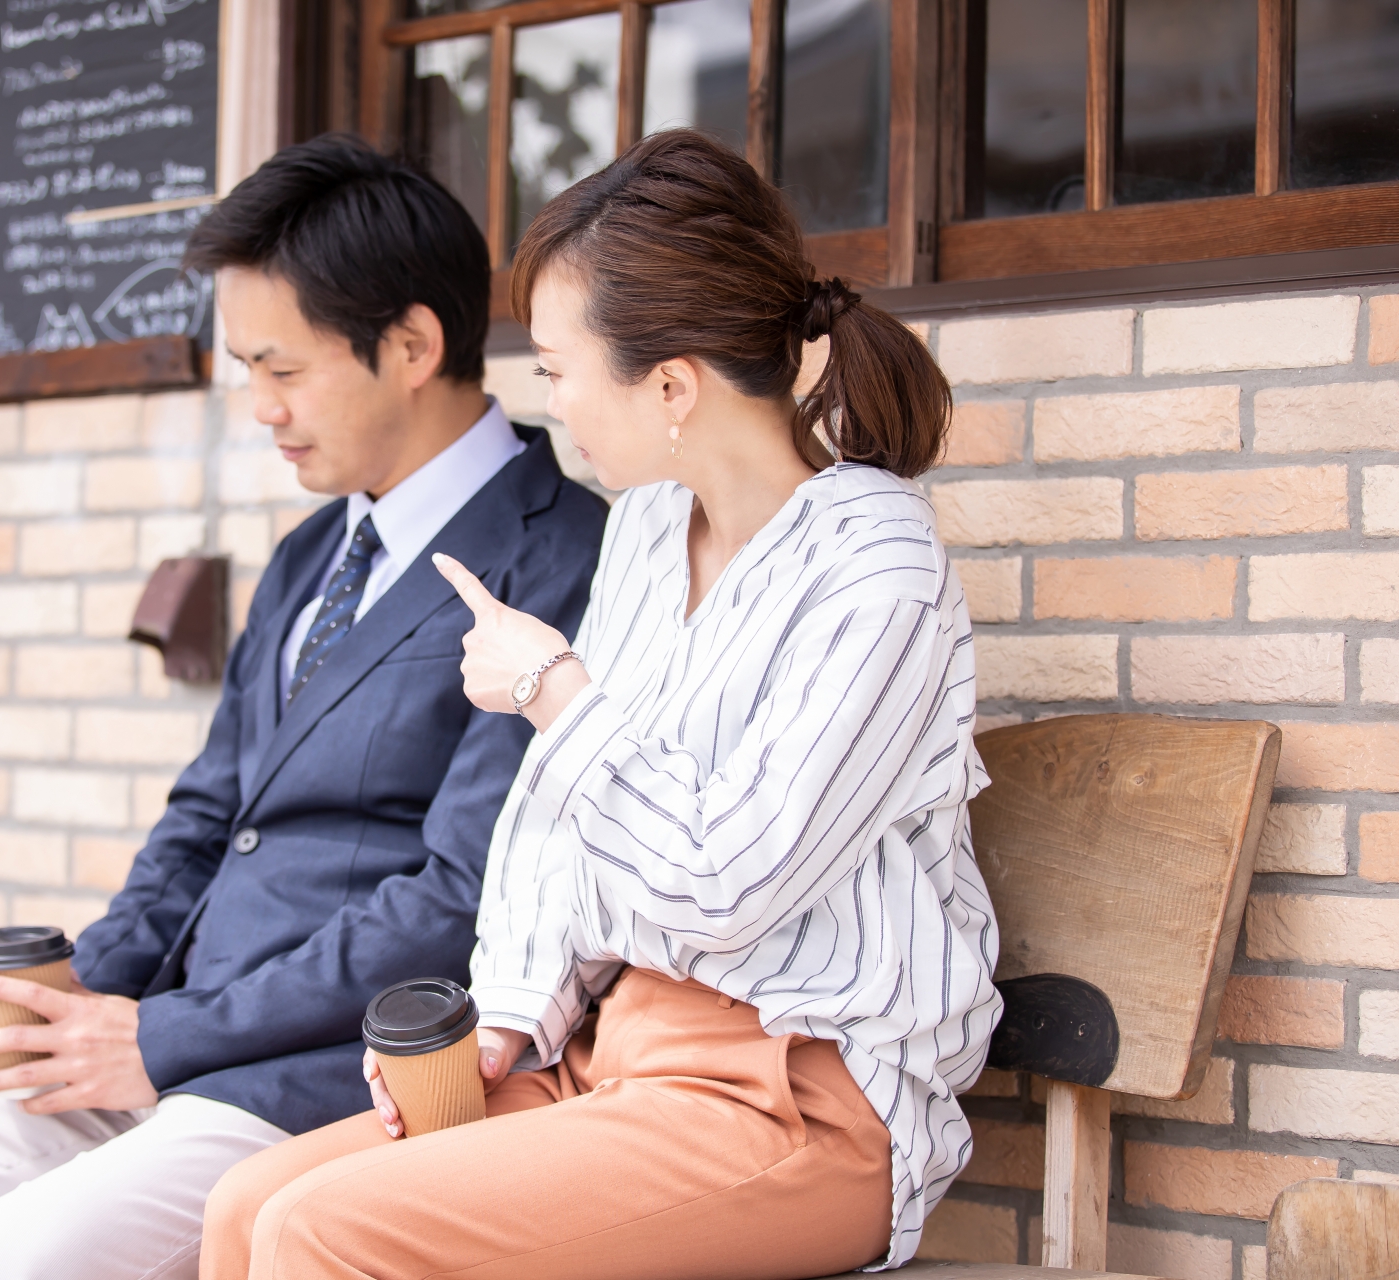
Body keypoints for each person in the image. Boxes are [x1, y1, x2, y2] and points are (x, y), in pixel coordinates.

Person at [0, 135, 608, 1280]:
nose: (260, 408)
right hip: (162, 1036)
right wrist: (88, 987)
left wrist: (158, 1039)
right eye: (246, 371)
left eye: (281, 369)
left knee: (7, 1259)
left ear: (414, 343)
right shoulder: (308, 555)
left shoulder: (565, 557)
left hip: (319, 1079)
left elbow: (459, 899)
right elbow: (207, 811)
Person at [200, 129, 1003, 1280]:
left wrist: (556, 692)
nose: (548, 396)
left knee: (323, 1232)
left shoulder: (876, 559)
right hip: (608, 1051)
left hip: (796, 1096)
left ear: (670, 384)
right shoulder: (642, 531)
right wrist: (510, 1017)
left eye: (563, 364)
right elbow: (548, 828)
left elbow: (729, 877)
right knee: (248, 1205)